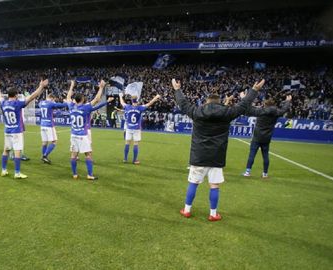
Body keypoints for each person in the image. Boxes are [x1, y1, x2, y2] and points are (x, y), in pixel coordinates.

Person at [173, 78, 264, 221]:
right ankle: (213, 214)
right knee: (214, 185)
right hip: (217, 156)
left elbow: (183, 104)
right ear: (219, 101)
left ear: (207, 101)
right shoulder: (226, 112)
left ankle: (187, 210)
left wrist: (177, 89)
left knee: (193, 183)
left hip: (199, 155)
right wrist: (254, 91)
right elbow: (243, 105)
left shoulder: (197, 111)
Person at [0, 80, 48, 179]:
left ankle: (3, 170)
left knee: (6, 150)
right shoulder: (17, 104)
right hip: (16, 131)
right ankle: (17, 172)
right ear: (16, 95)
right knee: (17, 151)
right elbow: (32, 96)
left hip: (7, 130)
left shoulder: (3, 103)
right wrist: (41, 86)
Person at [243, 95, 292, 178]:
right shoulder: (276, 112)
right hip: (267, 137)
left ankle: (247, 172)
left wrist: (244, 98)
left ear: (265, 105)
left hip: (257, 136)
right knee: (265, 156)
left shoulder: (261, 111)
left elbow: (250, 109)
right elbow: (284, 110)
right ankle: (265, 174)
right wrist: (288, 101)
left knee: (252, 154)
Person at [66, 79, 105, 180]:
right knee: (88, 154)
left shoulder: (71, 106)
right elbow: (97, 99)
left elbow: (68, 97)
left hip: (73, 134)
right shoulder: (85, 107)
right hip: (82, 135)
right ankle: (90, 175)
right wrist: (101, 88)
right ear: (82, 100)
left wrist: (72, 86)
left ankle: (74, 174)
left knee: (74, 155)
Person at [119, 93, 160, 164]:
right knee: (136, 144)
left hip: (129, 128)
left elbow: (122, 102)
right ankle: (134, 160)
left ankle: (125, 159)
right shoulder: (140, 108)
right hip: (136, 128)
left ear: (131, 101)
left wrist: (120, 96)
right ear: (137, 101)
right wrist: (156, 97)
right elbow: (149, 103)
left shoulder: (128, 107)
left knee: (127, 143)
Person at [39, 89, 71, 164]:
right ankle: (45, 156)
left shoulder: (41, 103)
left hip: (42, 124)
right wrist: (66, 101)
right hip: (49, 125)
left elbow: (50, 111)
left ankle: (43, 157)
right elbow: (62, 105)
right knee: (54, 142)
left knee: (44, 142)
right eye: (53, 100)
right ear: (52, 98)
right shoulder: (50, 103)